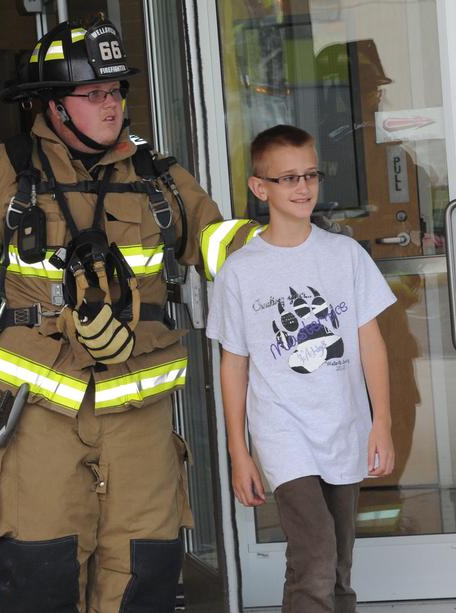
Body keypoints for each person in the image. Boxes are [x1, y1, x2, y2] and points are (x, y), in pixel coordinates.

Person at [0, 16, 260, 612]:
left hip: (138, 416)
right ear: (53, 105)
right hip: (35, 419)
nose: (111, 105)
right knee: (39, 574)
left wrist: (279, 243)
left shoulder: (159, 179)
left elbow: (214, 242)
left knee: (143, 575)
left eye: (116, 91)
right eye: (94, 93)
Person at [206, 124, 396, 612]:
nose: (303, 187)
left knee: (337, 563)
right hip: (282, 431)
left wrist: (383, 423)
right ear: (259, 187)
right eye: (288, 178)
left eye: (310, 174)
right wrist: (239, 452)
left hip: (343, 424)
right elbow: (233, 365)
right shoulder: (241, 272)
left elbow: (371, 343)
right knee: (315, 552)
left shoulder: (344, 255)